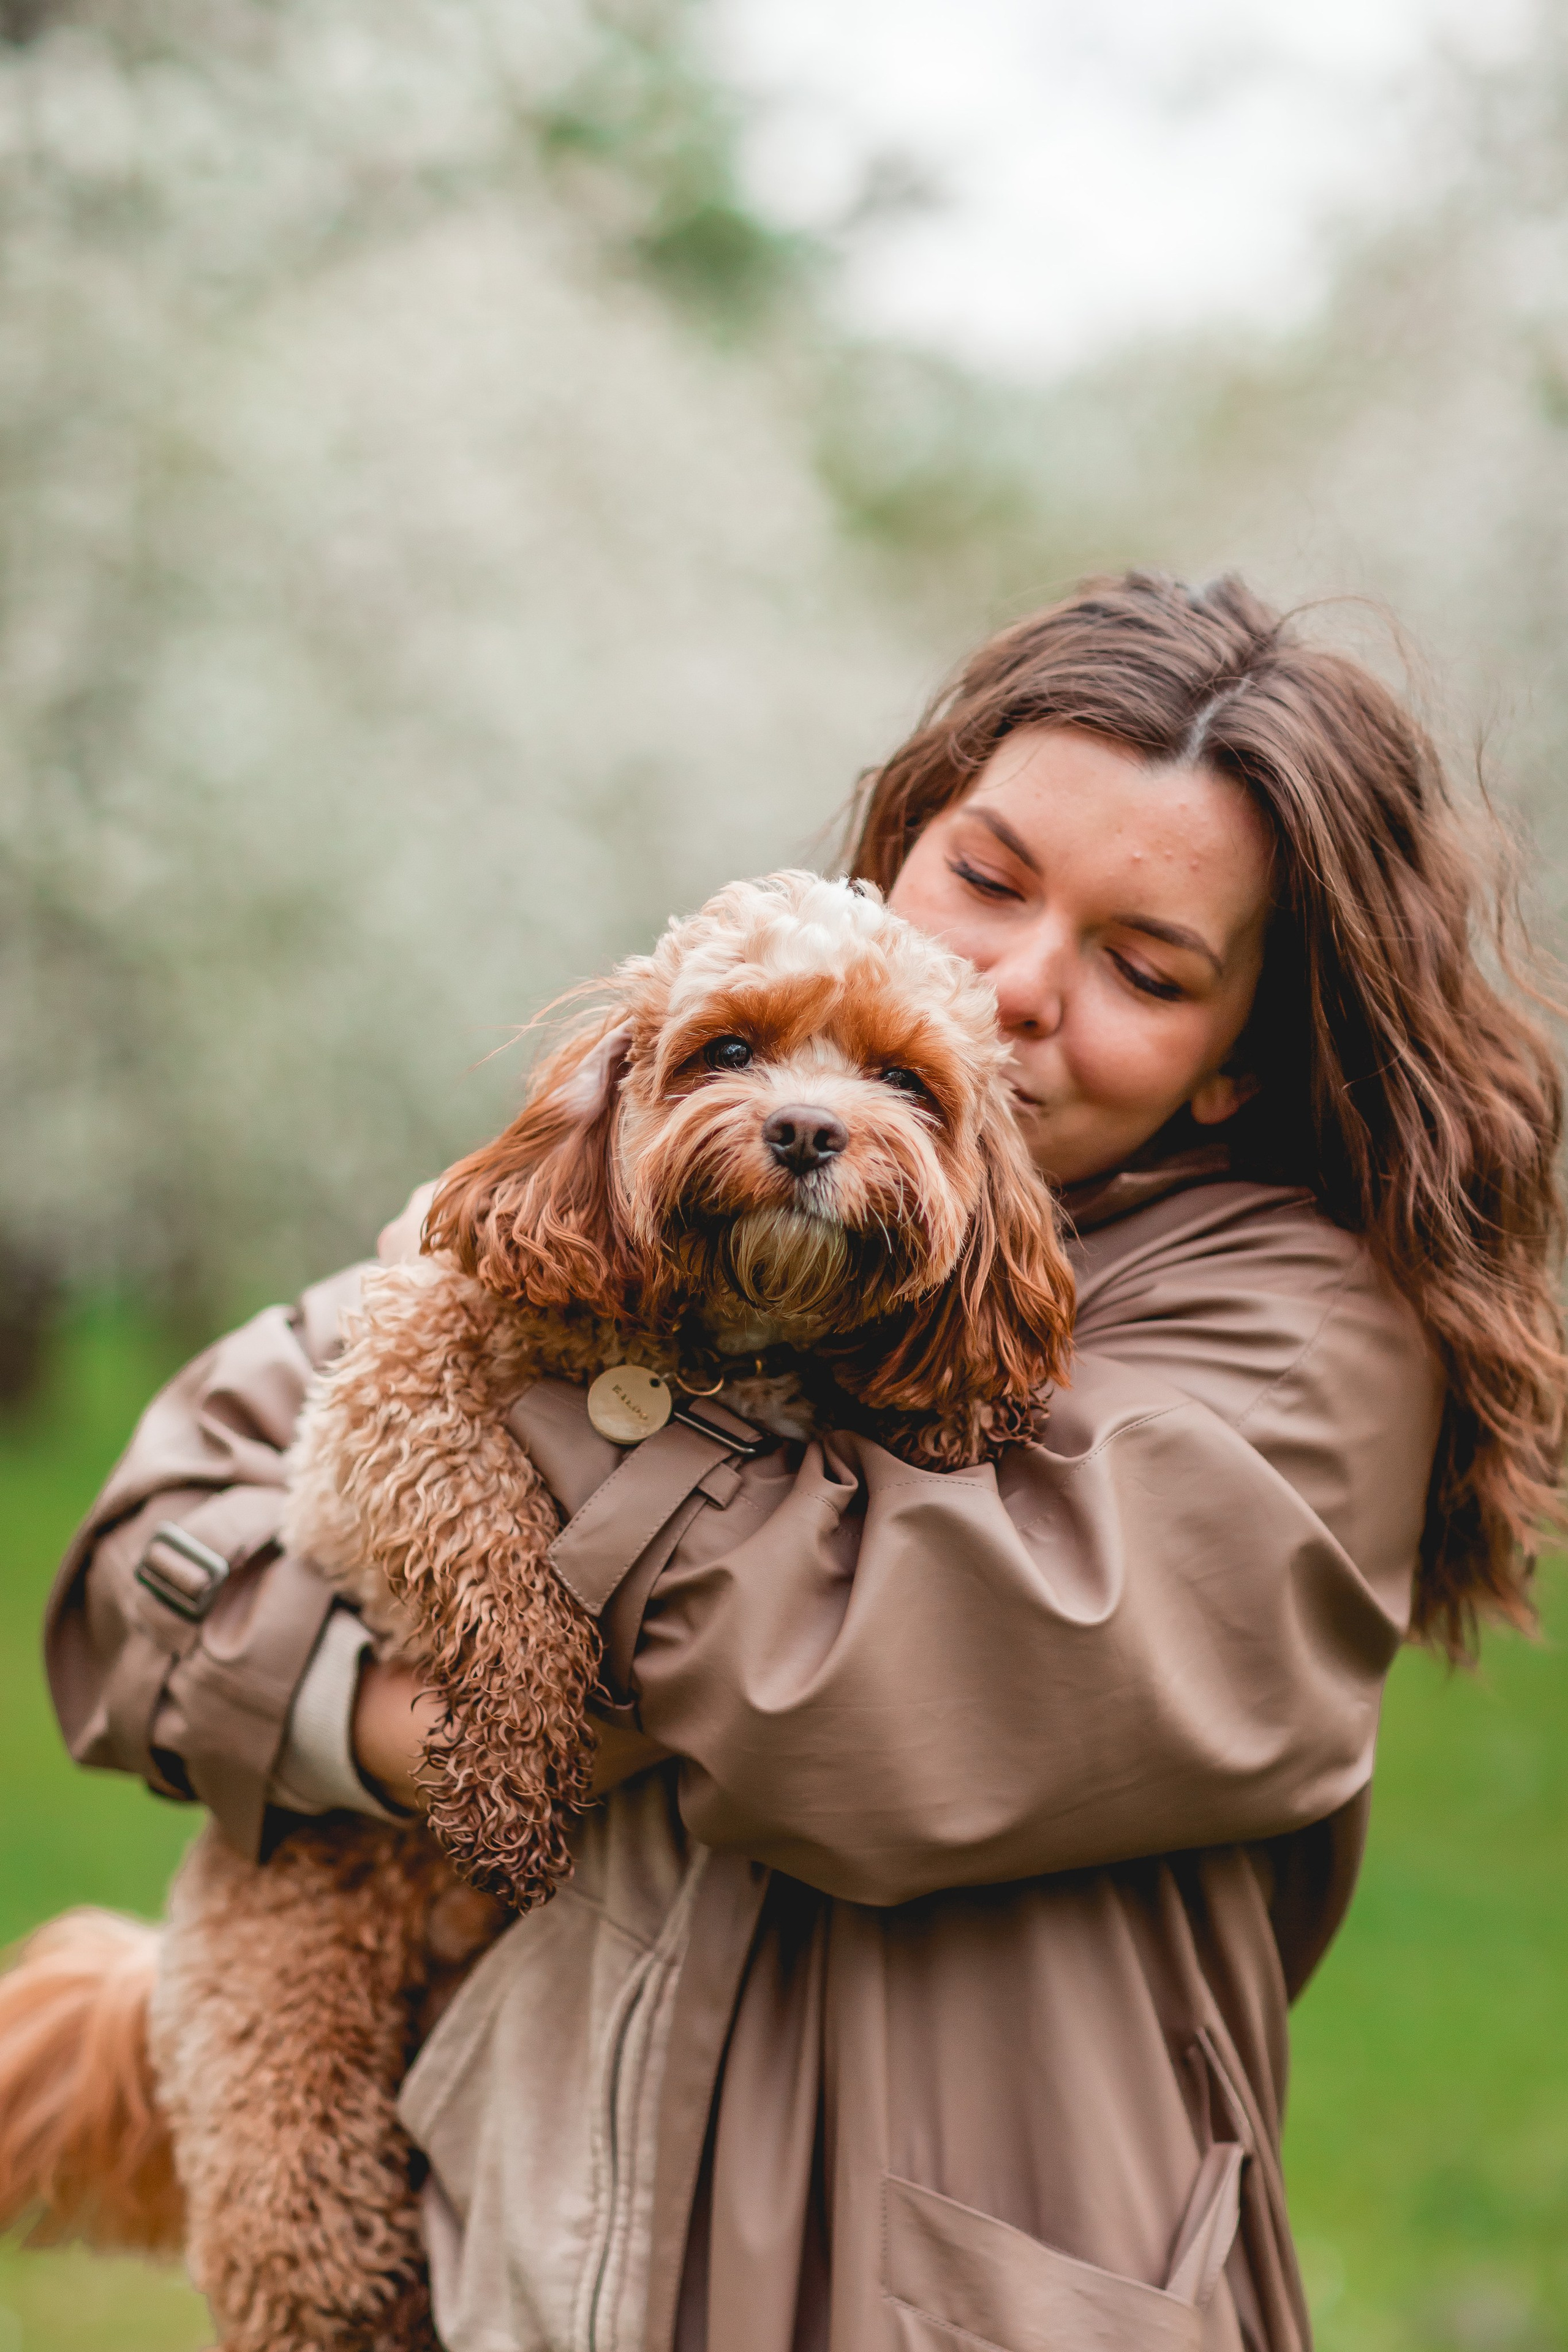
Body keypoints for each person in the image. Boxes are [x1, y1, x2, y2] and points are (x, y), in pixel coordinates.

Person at [47, 573, 1567, 2352]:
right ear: (899, 849)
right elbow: (140, 1567)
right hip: (521, 2264)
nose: (1013, 984)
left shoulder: (1302, 1337)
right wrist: (421, 1734)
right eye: (985, 877)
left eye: (1144, 968)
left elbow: (842, 1695)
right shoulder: (651, 1157)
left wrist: (506, 1353)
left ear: (1238, 1060)